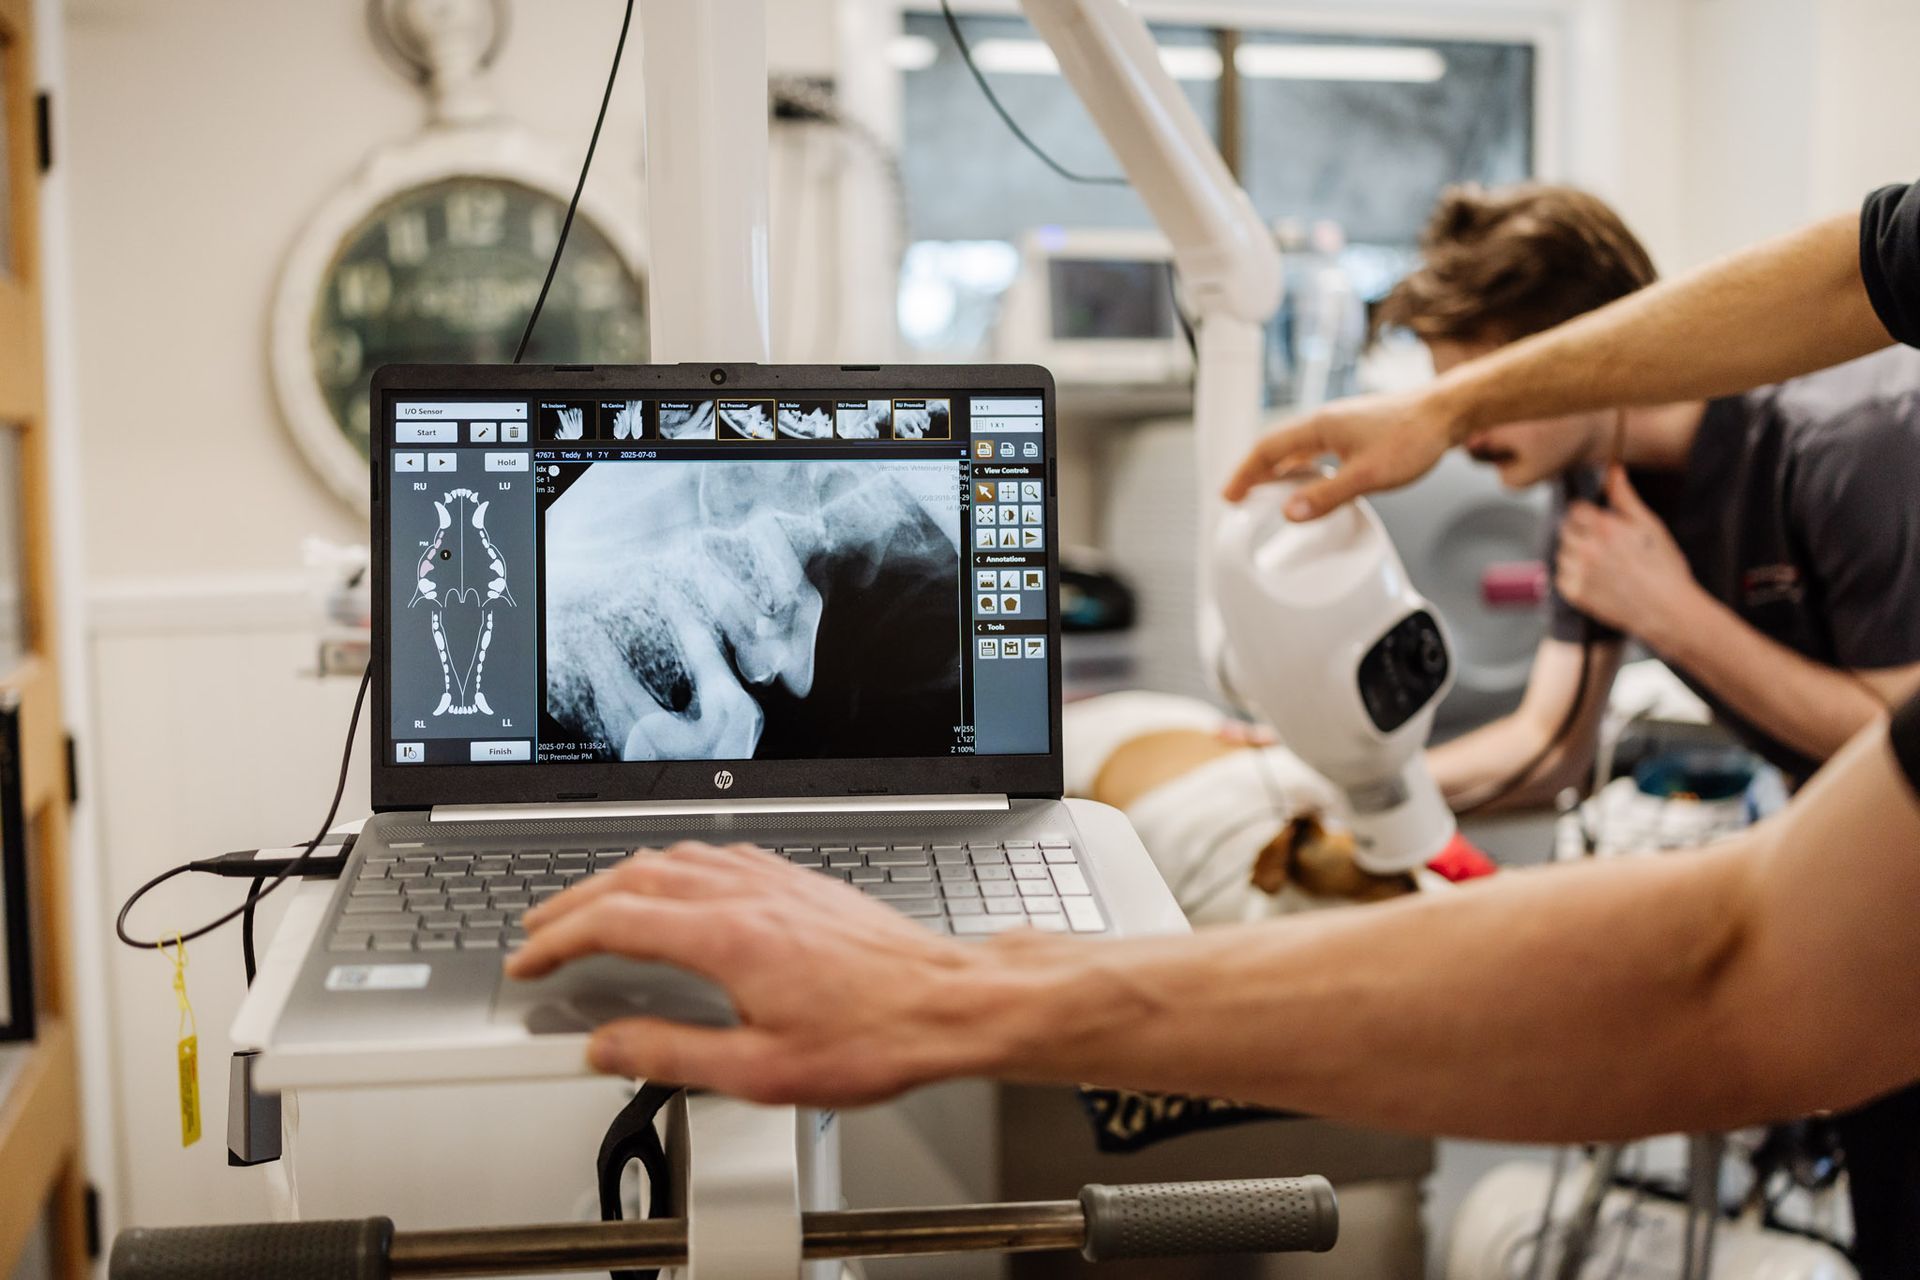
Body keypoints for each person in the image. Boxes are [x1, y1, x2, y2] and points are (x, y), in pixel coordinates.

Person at [505, 182, 1920, 1255]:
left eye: (1471, 377)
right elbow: (1548, 742)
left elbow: (1757, 947)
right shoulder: (1598, 502)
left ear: (1571, 341)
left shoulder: (1847, 457)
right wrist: (1316, 779)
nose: (1452, 417)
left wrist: (966, 994)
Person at [1368, 184, 1920, 804]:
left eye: (1487, 395)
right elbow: (1548, 746)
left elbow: (1901, 752)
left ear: (1582, 354)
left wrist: (1669, 612)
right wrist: (1343, 788)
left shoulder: (1842, 442)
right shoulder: (1590, 477)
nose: (1462, 434)